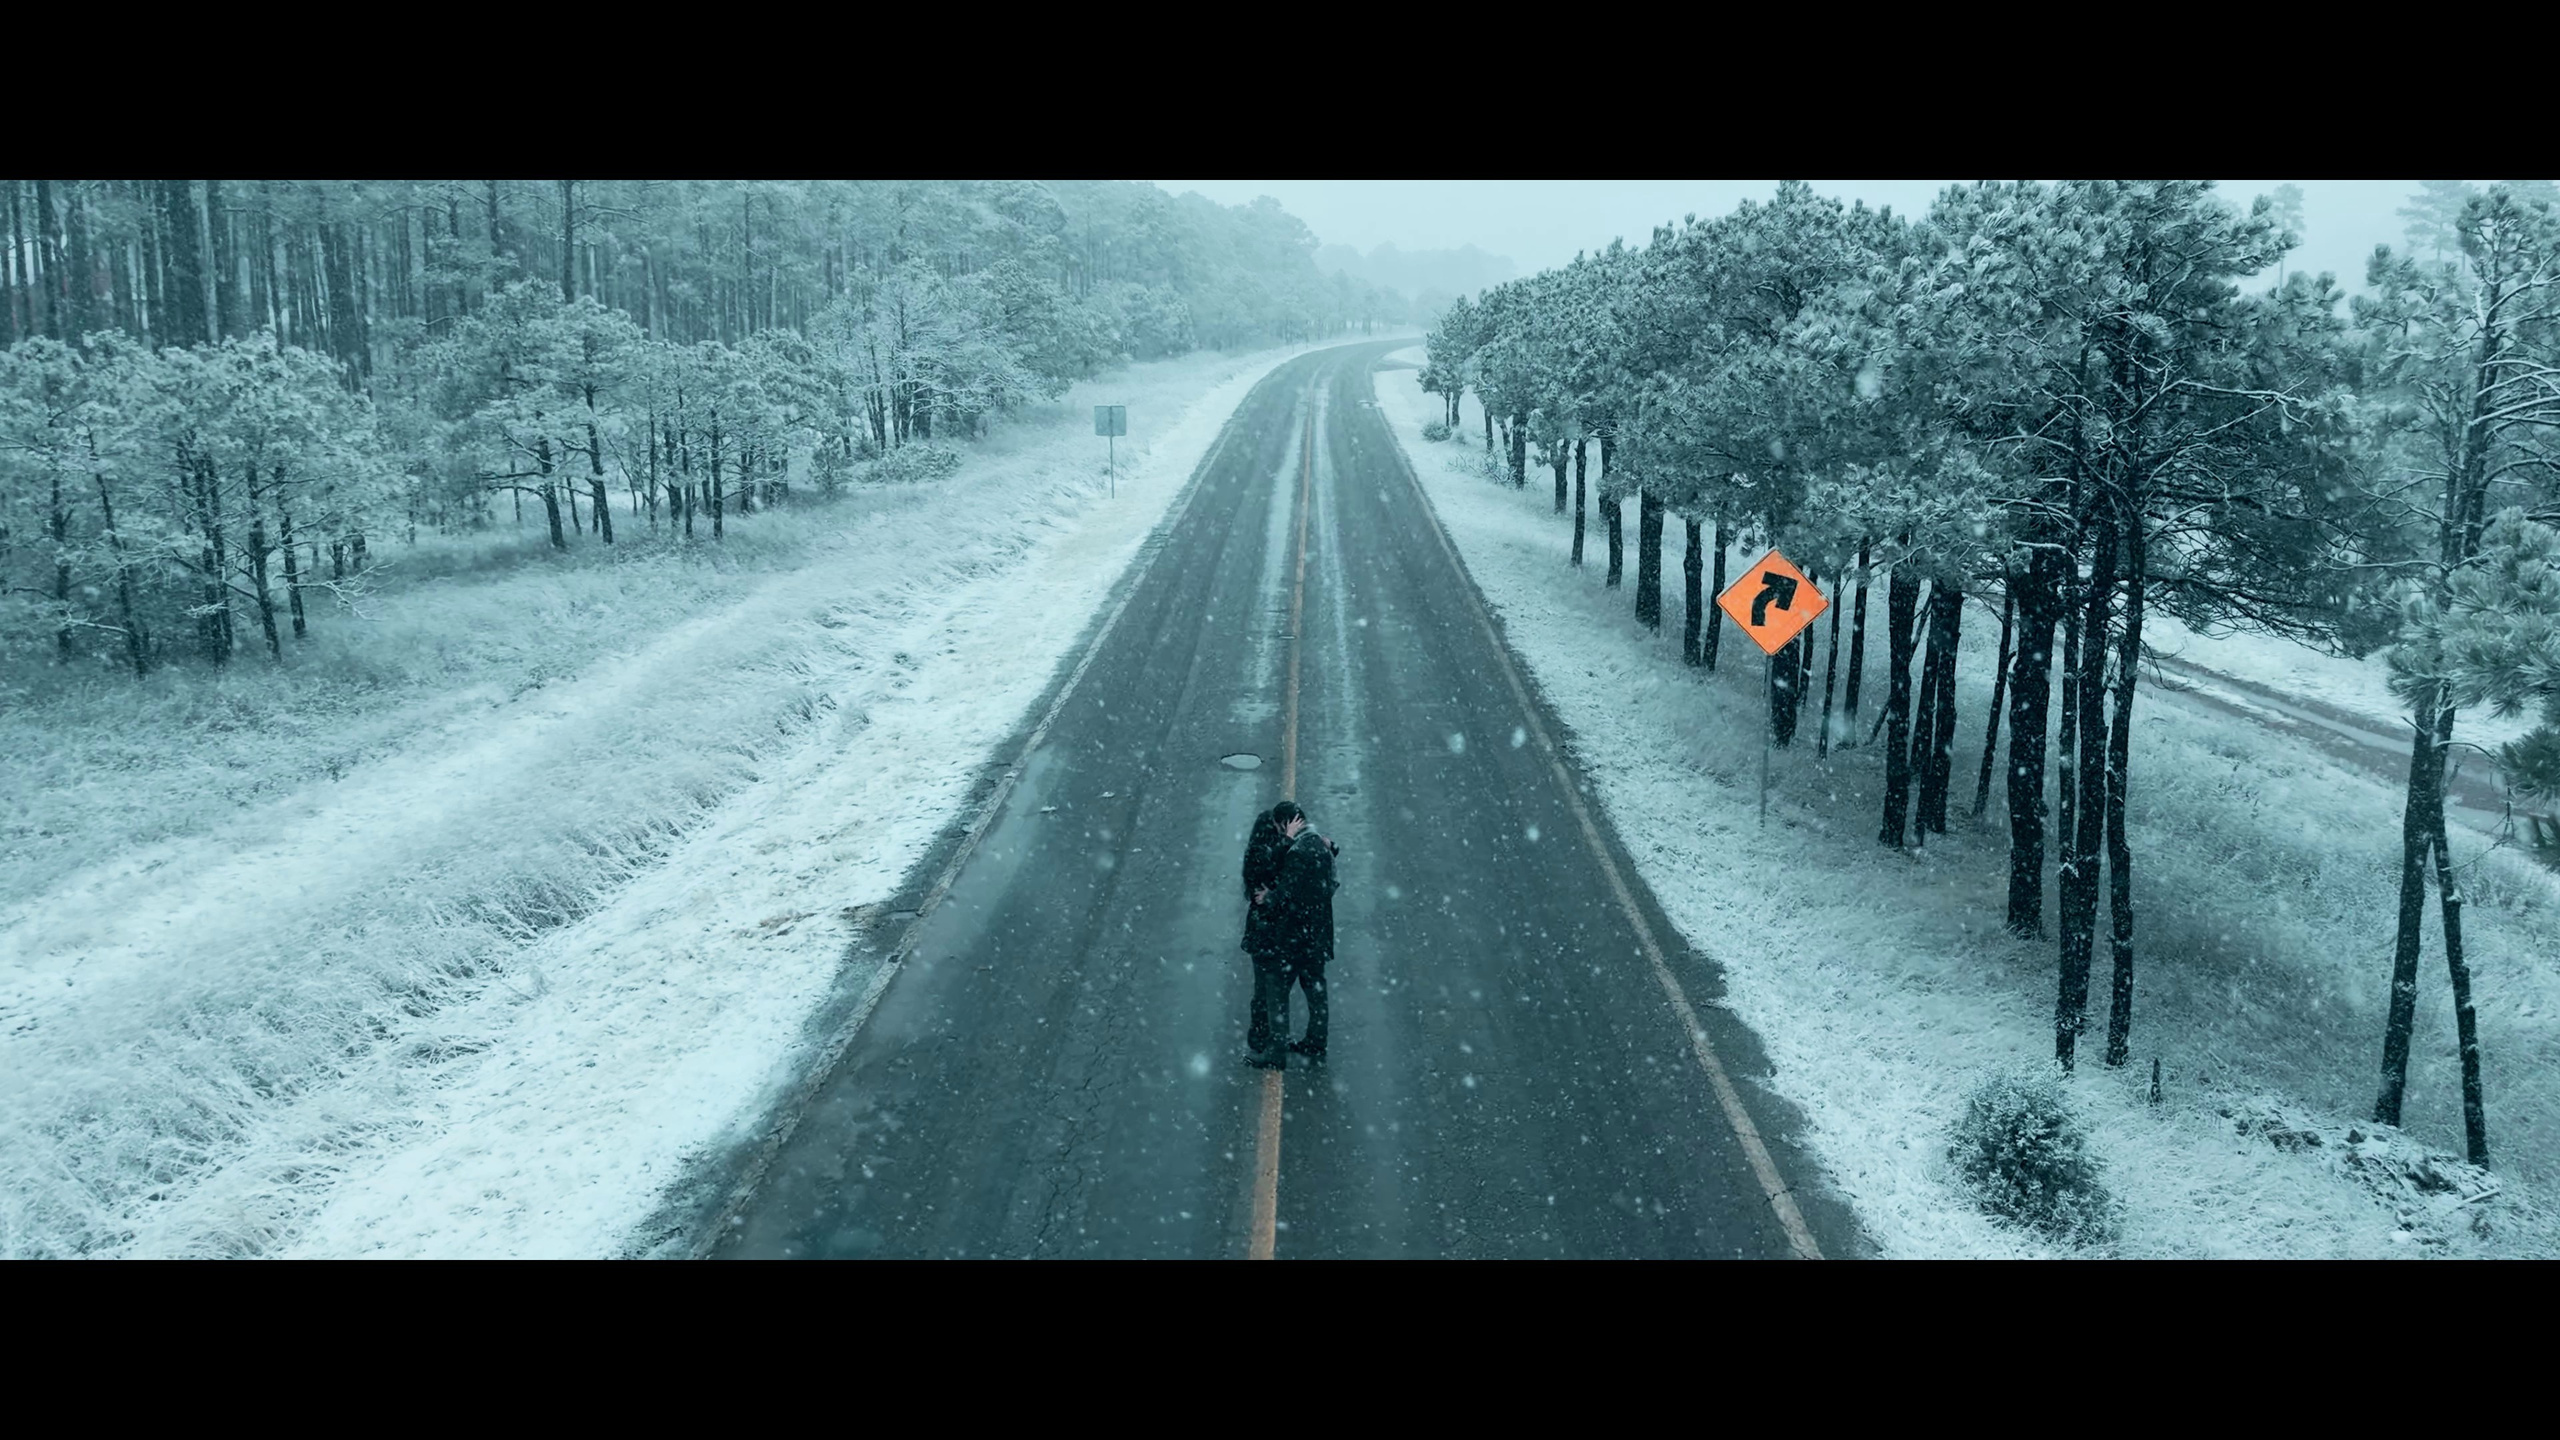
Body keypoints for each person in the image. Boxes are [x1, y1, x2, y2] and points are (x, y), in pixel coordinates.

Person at [1241, 800, 1338, 1068]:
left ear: (1285, 824)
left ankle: (1276, 1052)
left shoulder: (1296, 852)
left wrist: (1268, 898)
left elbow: (1286, 893)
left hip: (1297, 936)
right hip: (1318, 933)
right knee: (1316, 990)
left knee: (1277, 993)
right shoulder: (1318, 844)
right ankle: (1316, 1042)